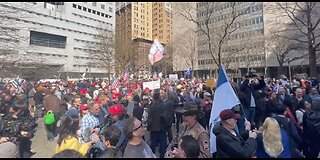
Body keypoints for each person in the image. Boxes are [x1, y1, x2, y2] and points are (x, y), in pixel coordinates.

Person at [147, 92, 167, 158]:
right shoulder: (163, 105)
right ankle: (162, 155)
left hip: (153, 128)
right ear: (159, 97)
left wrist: (148, 127)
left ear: (153, 98)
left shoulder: (151, 107)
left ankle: (152, 155)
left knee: (153, 142)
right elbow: (164, 117)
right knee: (162, 143)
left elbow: (149, 118)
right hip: (161, 127)